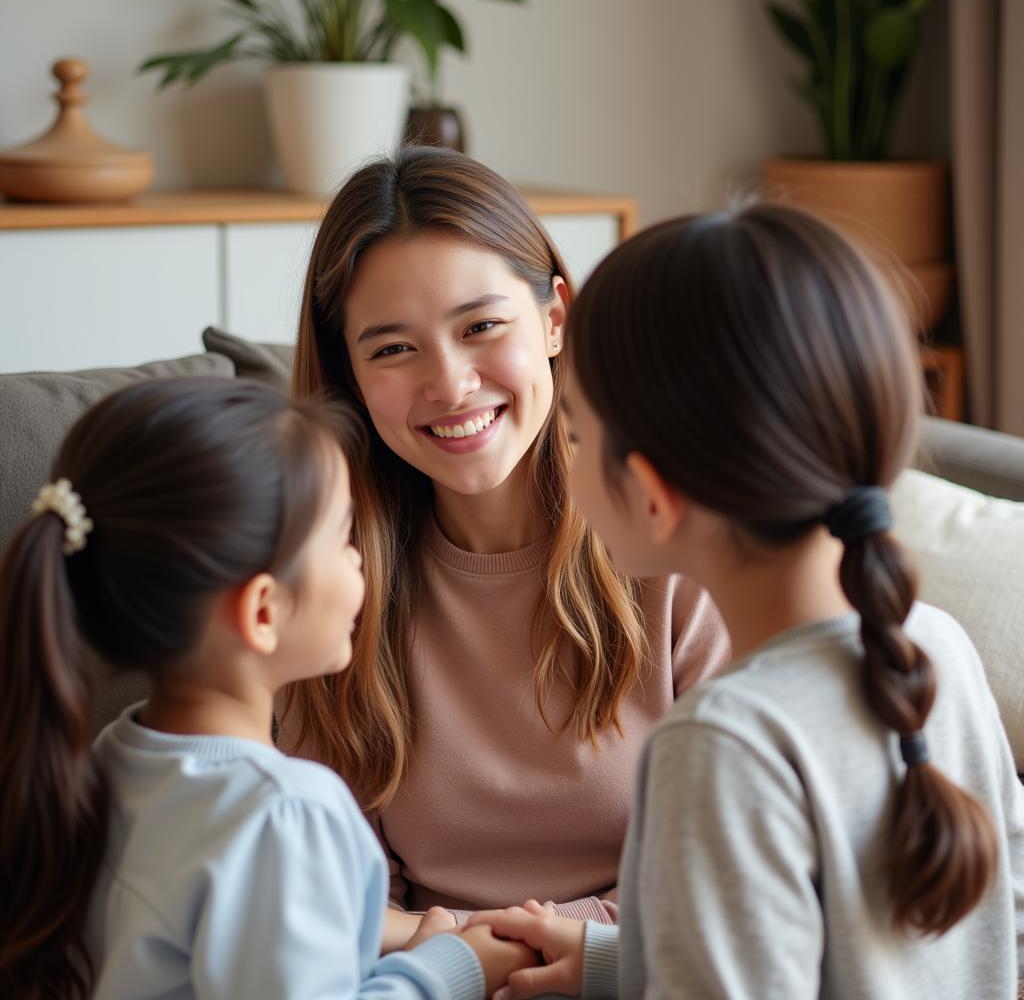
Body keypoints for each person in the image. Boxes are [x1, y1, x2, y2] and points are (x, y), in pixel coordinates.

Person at [466, 205, 1024, 999]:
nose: (567, 457)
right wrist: (614, 962)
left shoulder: (721, 744)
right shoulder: (939, 651)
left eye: (579, 432)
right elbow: (967, 932)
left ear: (654, 495)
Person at [279, 146, 730, 944]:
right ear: (348, 373)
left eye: (481, 327)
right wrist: (457, 954)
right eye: (392, 348)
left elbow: (740, 877)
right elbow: (325, 891)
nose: (449, 384)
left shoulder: (680, 545)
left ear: (555, 318)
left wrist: (570, 944)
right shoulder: (329, 582)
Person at [0, 377, 535, 999]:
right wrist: (448, 969)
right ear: (262, 611)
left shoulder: (111, 759)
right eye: (342, 538)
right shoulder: (285, 814)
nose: (361, 557)